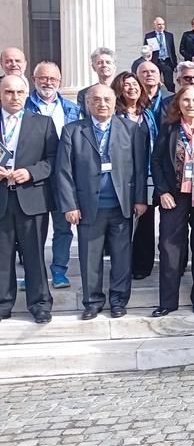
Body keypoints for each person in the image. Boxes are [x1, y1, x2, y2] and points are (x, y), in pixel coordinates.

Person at [55, 84, 149, 320]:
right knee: (90, 257)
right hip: (89, 207)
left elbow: (139, 168)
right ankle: (92, 302)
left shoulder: (131, 129)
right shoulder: (72, 131)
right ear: (88, 103)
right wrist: (70, 205)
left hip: (121, 205)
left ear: (114, 102)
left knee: (122, 257)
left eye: (107, 99)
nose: (102, 104)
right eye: (96, 99)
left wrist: (140, 198)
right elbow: (64, 171)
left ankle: (118, 300)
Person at [150, 86, 194, 316]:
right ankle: (167, 302)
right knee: (169, 248)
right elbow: (156, 161)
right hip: (174, 196)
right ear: (178, 104)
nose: (191, 104)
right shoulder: (168, 129)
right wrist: (162, 191)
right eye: (186, 100)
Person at [0, 75, 57, 323]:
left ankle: (40, 303)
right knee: (2, 256)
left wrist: (31, 172)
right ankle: (3, 303)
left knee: (34, 254)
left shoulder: (42, 123)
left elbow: (54, 160)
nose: (15, 97)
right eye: (8, 92)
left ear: (26, 94)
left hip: (31, 198)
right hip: (2, 198)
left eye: (19, 92)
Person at [25, 61, 79, 290]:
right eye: (43, 78)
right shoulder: (23, 105)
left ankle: (59, 271)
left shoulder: (72, 108)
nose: (48, 82)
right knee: (32, 231)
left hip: (62, 175)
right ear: (34, 79)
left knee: (63, 227)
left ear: (59, 81)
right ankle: (32, 275)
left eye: (53, 79)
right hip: (32, 175)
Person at [112, 71, 159, 281]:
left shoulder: (147, 114)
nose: (132, 88)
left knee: (146, 219)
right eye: (127, 85)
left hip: (147, 174)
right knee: (123, 222)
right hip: (122, 176)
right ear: (119, 89)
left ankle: (143, 264)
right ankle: (123, 263)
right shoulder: (115, 114)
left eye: (135, 84)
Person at [76, 47, 118, 112]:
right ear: (93, 67)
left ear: (114, 66)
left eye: (108, 62)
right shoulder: (84, 94)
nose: (104, 65)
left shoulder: (123, 90)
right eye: (100, 62)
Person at [144, 17, 177, 89]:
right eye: (159, 24)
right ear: (155, 25)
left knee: (169, 83)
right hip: (156, 61)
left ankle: (171, 95)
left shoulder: (169, 35)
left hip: (167, 61)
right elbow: (146, 50)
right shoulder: (149, 36)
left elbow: (172, 50)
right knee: (155, 82)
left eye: (163, 24)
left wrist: (175, 64)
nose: (161, 26)